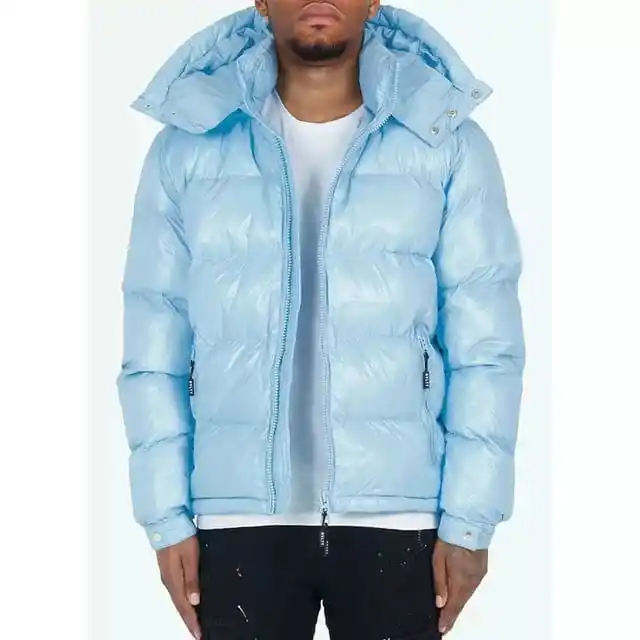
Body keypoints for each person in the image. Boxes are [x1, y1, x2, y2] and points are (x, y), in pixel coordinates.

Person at [117, 2, 525, 638]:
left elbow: (486, 348)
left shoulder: (444, 141)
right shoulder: (189, 146)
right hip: (235, 518)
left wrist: (471, 520)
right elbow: (154, 342)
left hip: (401, 517)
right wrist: (166, 517)